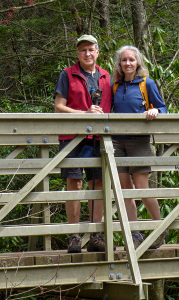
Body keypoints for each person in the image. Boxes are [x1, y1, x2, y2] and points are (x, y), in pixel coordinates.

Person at [54, 34, 113, 253]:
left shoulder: (107, 76)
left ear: (98, 52)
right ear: (77, 54)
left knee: (97, 184)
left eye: (91, 50)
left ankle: (96, 235)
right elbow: (59, 106)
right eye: (82, 50)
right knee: (74, 184)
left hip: (98, 138)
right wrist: (83, 114)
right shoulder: (67, 74)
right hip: (73, 137)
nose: (87, 54)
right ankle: (75, 236)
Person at [112, 45, 168, 249]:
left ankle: (159, 228)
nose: (128, 63)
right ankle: (134, 234)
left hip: (139, 140)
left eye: (131, 60)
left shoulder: (147, 83)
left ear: (138, 63)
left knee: (143, 188)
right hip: (117, 141)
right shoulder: (115, 85)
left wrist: (156, 112)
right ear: (119, 64)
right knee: (125, 189)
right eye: (124, 60)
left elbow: (163, 107)